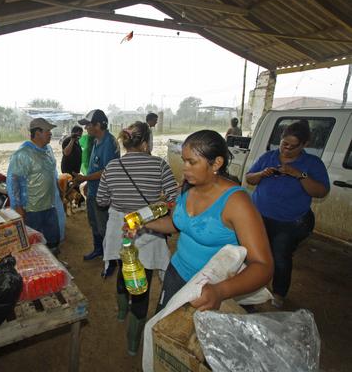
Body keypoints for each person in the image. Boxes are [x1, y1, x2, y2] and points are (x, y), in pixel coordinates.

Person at [144, 130, 273, 315]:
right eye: (184, 161)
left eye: (192, 162)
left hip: (210, 286)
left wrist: (220, 291)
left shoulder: (236, 203)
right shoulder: (188, 189)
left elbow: (263, 266)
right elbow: (176, 224)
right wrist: (144, 224)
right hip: (176, 272)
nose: (185, 168)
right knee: (163, 323)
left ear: (217, 163)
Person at [96, 121, 178, 356]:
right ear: (145, 143)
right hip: (149, 233)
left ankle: (122, 313)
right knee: (142, 286)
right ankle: (133, 343)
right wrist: (159, 203)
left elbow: (101, 201)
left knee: (124, 270)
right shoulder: (159, 165)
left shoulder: (112, 167)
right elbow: (174, 196)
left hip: (120, 233)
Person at [245, 121, 329, 308]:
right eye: (284, 144)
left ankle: (279, 293)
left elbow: (321, 192)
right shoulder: (269, 156)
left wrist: (299, 175)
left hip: (289, 222)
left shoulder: (312, 163)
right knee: (255, 252)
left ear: (305, 144)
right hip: (260, 217)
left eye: (293, 146)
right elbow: (249, 178)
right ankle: (253, 287)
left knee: (280, 255)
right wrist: (261, 174)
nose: (286, 149)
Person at [7, 117, 63, 254]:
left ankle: (54, 265)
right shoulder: (23, 154)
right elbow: (12, 181)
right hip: (32, 209)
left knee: (52, 239)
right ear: (37, 133)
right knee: (34, 244)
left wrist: (58, 189)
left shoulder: (47, 150)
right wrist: (18, 207)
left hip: (50, 205)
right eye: (47, 131)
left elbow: (52, 172)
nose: (50, 133)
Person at [74, 109, 120, 268]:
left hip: (104, 194)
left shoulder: (109, 142)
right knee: (94, 222)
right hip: (94, 190)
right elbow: (95, 166)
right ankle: (99, 249)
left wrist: (84, 178)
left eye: (88, 125)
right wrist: (88, 183)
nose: (86, 129)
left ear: (98, 125)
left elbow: (108, 171)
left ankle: (111, 257)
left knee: (104, 226)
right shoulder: (96, 141)